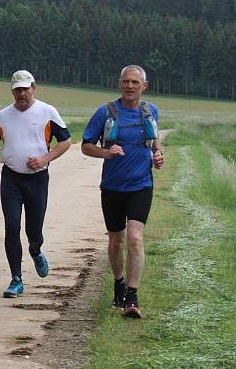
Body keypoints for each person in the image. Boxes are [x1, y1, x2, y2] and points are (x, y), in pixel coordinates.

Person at [81, 65, 164, 319]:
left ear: (144, 86)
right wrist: (106, 152)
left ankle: (132, 295)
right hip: (112, 187)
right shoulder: (105, 112)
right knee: (116, 241)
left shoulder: (150, 111)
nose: (130, 86)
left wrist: (158, 153)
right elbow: (85, 146)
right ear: (120, 84)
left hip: (141, 185)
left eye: (135, 83)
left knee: (135, 238)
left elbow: (154, 136)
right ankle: (118, 281)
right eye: (126, 82)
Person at [0, 70, 71, 298]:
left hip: (37, 179)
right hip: (11, 178)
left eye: (25, 89)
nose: (22, 94)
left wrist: (44, 160)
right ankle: (16, 278)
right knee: (11, 224)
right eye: (17, 89)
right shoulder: (1, 116)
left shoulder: (47, 112)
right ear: (12, 91)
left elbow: (65, 141)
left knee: (33, 230)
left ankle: (36, 250)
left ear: (33, 88)